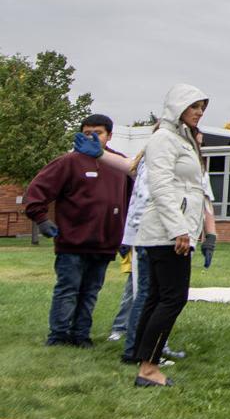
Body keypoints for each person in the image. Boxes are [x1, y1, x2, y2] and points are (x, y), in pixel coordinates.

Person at [75, 128, 217, 365]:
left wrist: (210, 235)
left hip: (175, 234)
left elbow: (204, 199)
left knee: (157, 295)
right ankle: (137, 351)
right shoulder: (151, 156)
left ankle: (151, 348)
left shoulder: (192, 164)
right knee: (149, 296)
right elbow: (128, 165)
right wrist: (100, 154)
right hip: (151, 234)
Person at [23, 114, 129, 347]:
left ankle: (81, 335)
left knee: (90, 292)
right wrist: (41, 220)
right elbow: (36, 192)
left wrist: (127, 235)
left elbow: (133, 201)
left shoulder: (121, 164)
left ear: (109, 135)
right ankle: (59, 336)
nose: (91, 137)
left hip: (105, 243)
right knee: (68, 290)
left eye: (97, 133)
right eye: (86, 132)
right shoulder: (68, 162)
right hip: (72, 242)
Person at [130, 83, 210, 387]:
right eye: (193, 106)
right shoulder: (164, 139)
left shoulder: (182, 140)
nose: (199, 112)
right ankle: (149, 368)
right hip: (167, 233)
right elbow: (161, 187)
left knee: (156, 298)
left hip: (172, 230)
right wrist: (180, 229)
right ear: (178, 107)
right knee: (173, 298)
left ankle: (142, 362)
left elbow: (190, 189)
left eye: (202, 107)